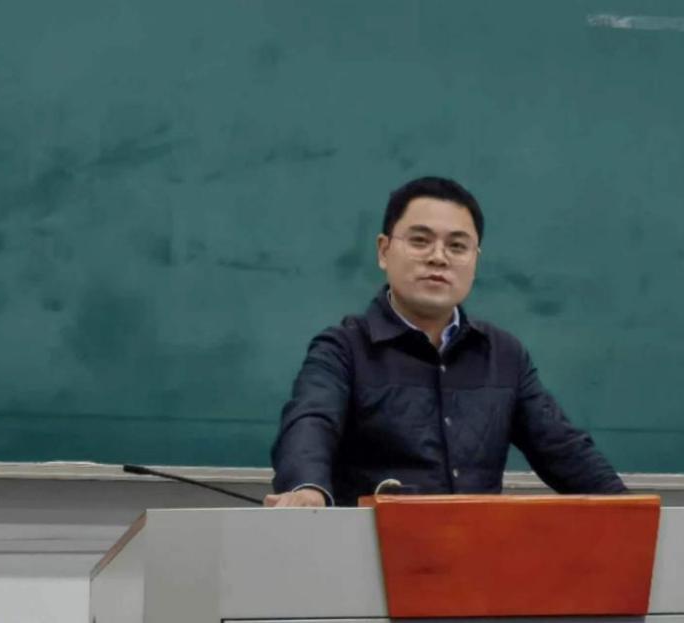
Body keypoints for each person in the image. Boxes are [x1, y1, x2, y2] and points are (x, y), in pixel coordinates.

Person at [266, 176, 626, 507]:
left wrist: (633, 510)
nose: (438, 257)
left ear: (475, 260)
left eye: (457, 246)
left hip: (477, 550)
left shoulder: (504, 356)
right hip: (371, 551)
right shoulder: (343, 349)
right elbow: (310, 424)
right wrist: (306, 489)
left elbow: (563, 449)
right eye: (420, 241)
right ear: (383, 250)